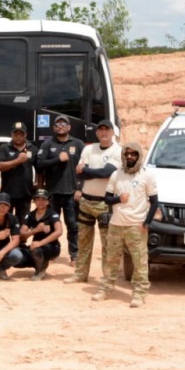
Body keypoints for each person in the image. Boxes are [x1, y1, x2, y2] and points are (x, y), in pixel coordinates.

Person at [93, 142, 158, 307]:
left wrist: (147, 223)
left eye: (133, 154)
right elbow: (106, 198)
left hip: (136, 226)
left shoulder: (147, 175)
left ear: (138, 156)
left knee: (140, 262)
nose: (129, 156)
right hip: (116, 225)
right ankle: (105, 289)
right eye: (127, 153)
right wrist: (118, 199)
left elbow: (155, 202)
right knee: (111, 260)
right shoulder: (116, 174)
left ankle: (139, 293)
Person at [65, 119, 121, 284]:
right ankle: (80, 274)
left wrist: (87, 170)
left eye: (107, 130)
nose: (104, 133)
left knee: (107, 243)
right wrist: (88, 172)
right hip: (86, 201)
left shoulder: (117, 151)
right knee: (84, 241)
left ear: (113, 132)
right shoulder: (89, 149)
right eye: (101, 129)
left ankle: (107, 277)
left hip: (105, 204)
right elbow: (80, 174)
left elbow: (107, 173)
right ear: (96, 132)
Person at [36, 114, 84, 261]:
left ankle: (74, 255)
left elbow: (84, 168)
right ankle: (51, 253)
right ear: (54, 128)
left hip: (71, 193)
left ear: (69, 127)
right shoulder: (48, 144)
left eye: (64, 124)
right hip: (52, 194)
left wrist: (80, 188)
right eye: (57, 124)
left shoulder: (78, 144)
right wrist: (57, 159)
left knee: (73, 226)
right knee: (50, 225)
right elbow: (39, 164)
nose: (60, 126)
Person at [0, 121, 37, 221]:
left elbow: (39, 169)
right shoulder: (4, 148)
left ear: (26, 134)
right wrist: (18, 161)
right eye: (16, 134)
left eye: (21, 134)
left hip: (25, 195)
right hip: (7, 195)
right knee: (5, 224)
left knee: (23, 226)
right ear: (11, 134)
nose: (18, 136)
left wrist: (38, 187)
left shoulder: (33, 149)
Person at [19, 189, 63, 281]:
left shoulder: (52, 214)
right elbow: (22, 234)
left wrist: (40, 243)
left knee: (36, 250)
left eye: (43, 199)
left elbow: (59, 231)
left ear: (48, 201)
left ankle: (40, 270)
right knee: (18, 256)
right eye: (38, 199)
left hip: (52, 246)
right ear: (34, 201)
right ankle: (38, 263)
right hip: (35, 245)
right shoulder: (30, 215)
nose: (41, 202)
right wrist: (35, 230)